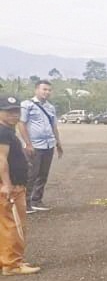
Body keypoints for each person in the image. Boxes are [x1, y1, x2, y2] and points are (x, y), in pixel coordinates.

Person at [1, 95, 40, 275]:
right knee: (14, 225)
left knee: (6, 224)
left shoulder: (7, 131)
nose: (14, 115)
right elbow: (1, 159)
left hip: (14, 184)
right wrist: (7, 185)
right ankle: (13, 264)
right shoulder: (3, 132)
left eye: (16, 111)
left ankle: (7, 260)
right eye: (9, 112)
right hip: (11, 186)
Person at [18, 79, 63, 213]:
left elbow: (54, 126)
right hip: (34, 146)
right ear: (36, 90)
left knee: (43, 174)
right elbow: (22, 124)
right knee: (31, 174)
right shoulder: (27, 105)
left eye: (49, 90)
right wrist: (28, 143)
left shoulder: (50, 107)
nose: (47, 92)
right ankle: (25, 203)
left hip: (48, 145)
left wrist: (58, 143)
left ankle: (36, 200)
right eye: (44, 89)